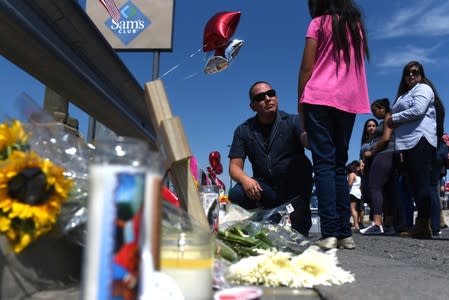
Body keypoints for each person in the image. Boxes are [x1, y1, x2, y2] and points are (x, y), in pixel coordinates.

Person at [297, 0, 370, 249]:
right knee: (339, 165)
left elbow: (307, 67)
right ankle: (344, 234)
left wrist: (301, 105)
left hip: (319, 97)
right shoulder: (355, 26)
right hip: (348, 100)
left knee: (324, 165)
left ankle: (329, 233)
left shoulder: (318, 23)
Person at [228, 81, 313, 237]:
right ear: (252, 106)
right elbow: (234, 167)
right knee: (236, 194)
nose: (268, 98)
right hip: (265, 188)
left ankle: (300, 224)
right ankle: (261, 219)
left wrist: (312, 136)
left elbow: (305, 140)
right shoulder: (243, 130)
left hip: (293, 187)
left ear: (277, 98)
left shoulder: (294, 121)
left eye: (271, 93)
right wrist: (245, 180)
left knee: (302, 164)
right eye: (260, 97)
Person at [386, 61, 437, 239]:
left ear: (421, 75)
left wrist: (394, 118)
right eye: (408, 73)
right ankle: (422, 226)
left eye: (415, 72)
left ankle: (424, 224)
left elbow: (418, 109)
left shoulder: (423, 88)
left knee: (422, 184)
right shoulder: (404, 95)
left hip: (420, 139)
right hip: (406, 143)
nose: (411, 76)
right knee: (414, 185)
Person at [360, 98, 402, 235]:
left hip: (384, 154)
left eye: (375, 111)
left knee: (375, 186)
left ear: (382, 108)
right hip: (392, 154)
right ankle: (389, 224)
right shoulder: (390, 119)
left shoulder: (388, 118)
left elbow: (385, 139)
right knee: (389, 190)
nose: (374, 114)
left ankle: (377, 224)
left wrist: (371, 152)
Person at [359, 118, 378, 224]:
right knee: (368, 194)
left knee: (375, 193)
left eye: (373, 126)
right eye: (369, 126)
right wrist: (360, 162)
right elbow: (361, 155)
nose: (371, 128)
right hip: (365, 171)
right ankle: (373, 218)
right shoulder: (364, 142)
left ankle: (376, 219)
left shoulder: (379, 140)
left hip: (376, 168)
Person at [346, 160, 362, 231]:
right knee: (356, 209)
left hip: (352, 193)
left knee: (352, 209)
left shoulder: (352, 174)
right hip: (358, 193)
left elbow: (349, 184)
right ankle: (357, 224)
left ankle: (356, 225)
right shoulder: (358, 176)